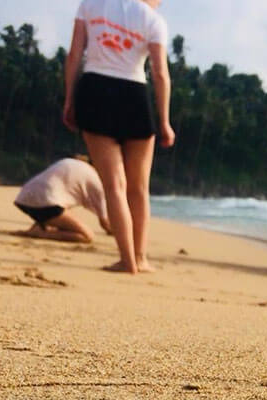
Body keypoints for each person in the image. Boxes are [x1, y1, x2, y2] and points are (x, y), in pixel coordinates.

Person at [62, 0, 175, 274]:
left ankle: (127, 260)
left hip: (95, 91)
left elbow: (75, 54)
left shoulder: (91, 5)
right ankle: (141, 258)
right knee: (139, 188)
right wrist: (164, 121)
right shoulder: (153, 19)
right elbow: (160, 74)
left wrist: (69, 100)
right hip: (134, 95)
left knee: (114, 186)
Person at [14, 157, 111, 243]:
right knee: (86, 236)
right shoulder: (97, 182)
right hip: (47, 205)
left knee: (60, 205)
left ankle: (40, 225)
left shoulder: (75, 163)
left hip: (23, 199)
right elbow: (105, 223)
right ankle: (40, 233)